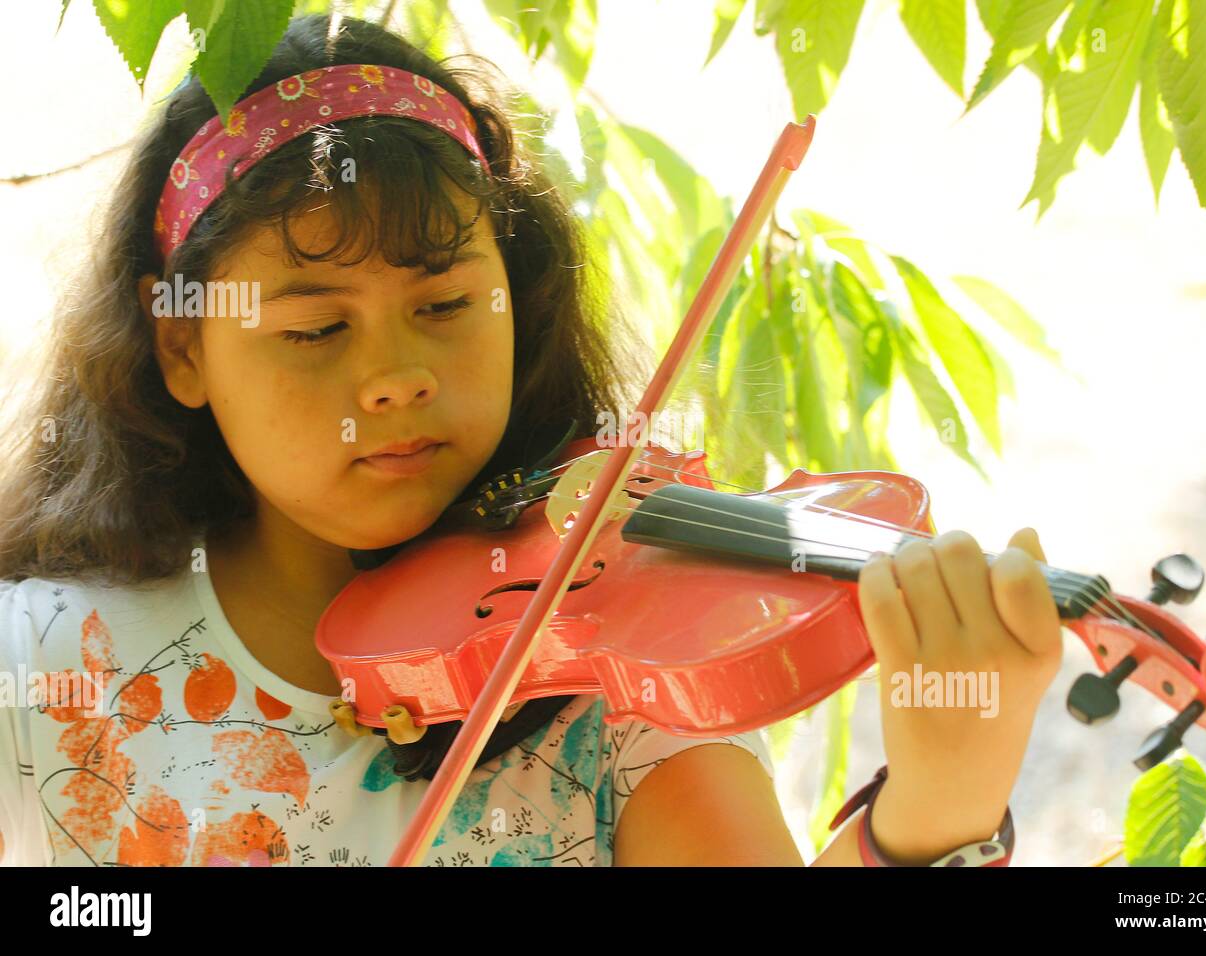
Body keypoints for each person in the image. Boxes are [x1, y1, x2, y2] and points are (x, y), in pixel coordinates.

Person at [0, 14, 1062, 867]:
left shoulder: (627, 688)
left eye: (447, 305)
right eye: (316, 327)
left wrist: (932, 817)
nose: (395, 376)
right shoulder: (44, 663)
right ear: (182, 343)